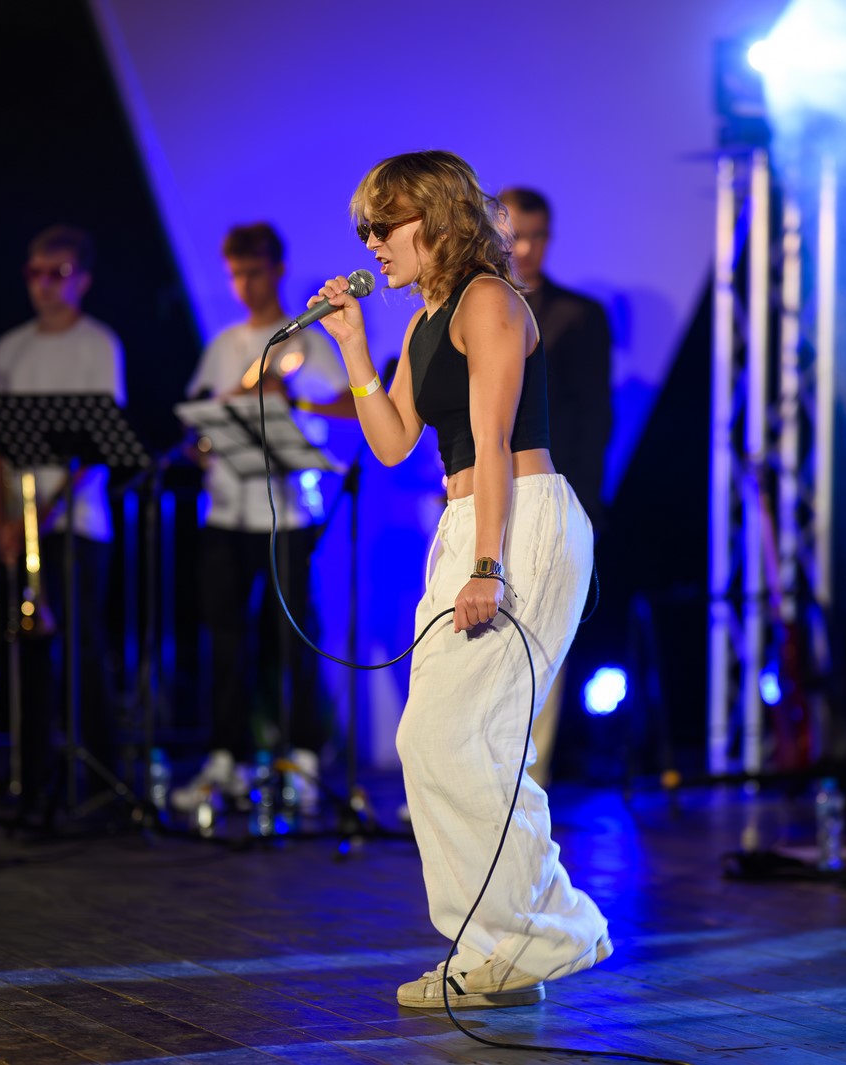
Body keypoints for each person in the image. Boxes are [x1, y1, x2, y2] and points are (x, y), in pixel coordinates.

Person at [311, 150, 611, 1009]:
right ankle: (501, 944)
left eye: (385, 225)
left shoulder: (488, 300)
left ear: (435, 218)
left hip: (519, 518)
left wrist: (488, 563)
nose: (373, 243)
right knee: (433, 740)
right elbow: (392, 440)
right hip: (468, 522)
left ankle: (543, 930)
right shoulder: (423, 320)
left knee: (465, 738)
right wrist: (353, 347)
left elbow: (493, 441)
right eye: (366, 230)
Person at [174, 222, 350, 817]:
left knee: (294, 638)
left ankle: (303, 757)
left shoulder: (307, 340)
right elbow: (197, 422)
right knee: (225, 639)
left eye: (254, 271)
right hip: (226, 511)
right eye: (236, 275)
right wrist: (204, 440)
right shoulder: (224, 343)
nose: (245, 285)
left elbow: (351, 405)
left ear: (277, 269)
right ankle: (227, 756)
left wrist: (292, 398)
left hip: (289, 513)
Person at [0, 224, 125, 809]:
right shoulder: (9, 348)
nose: (43, 284)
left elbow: (101, 446)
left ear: (83, 280)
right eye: (35, 273)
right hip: (21, 524)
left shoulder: (99, 344)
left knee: (83, 649)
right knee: (28, 651)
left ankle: (100, 778)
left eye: (58, 273)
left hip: (78, 523)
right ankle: (32, 776)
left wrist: (40, 515)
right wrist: (2, 520)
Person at [498, 186, 613, 790]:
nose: (525, 249)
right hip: (480, 497)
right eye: (515, 236)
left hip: (550, 499)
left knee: (541, 641)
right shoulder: (475, 304)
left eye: (537, 236)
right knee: (476, 639)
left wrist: (582, 510)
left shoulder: (578, 315)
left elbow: (594, 420)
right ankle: (469, 781)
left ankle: (526, 787)